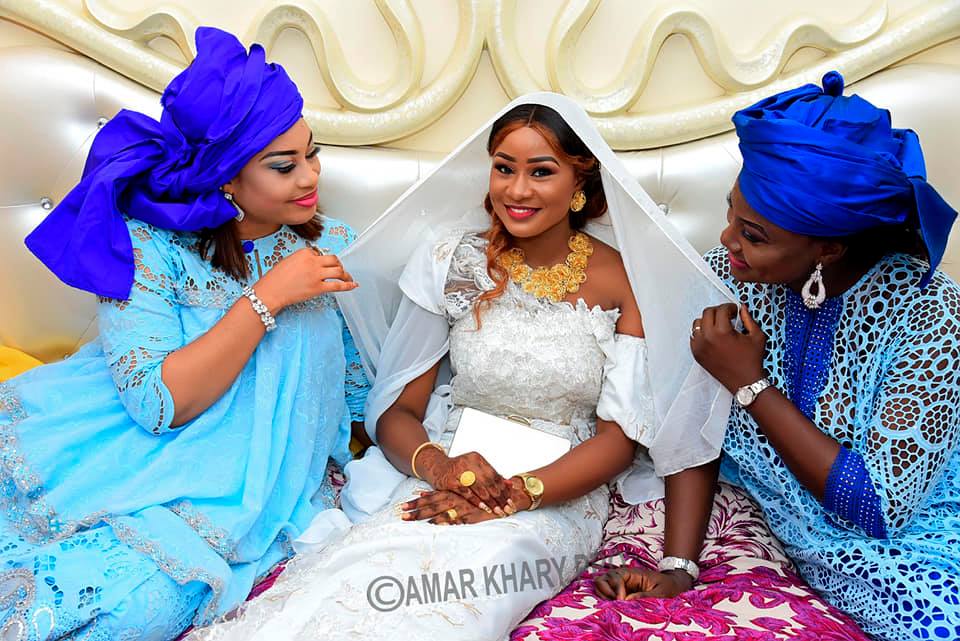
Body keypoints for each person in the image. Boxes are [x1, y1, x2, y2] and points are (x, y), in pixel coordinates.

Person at [184, 93, 734, 641]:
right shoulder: (456, 262)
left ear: (580, 183)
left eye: (541, 172)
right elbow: (398, 410)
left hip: (556, 490)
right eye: (503, 168)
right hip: (448, 469)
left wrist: (519, 494)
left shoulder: (624, 280)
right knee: (352, 580)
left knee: (456, 604)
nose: (516, 190)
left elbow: (618, 440)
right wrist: (441, 468)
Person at [0, 27, 368, 641]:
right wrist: (267, 298)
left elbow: (354, 385)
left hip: (246, 492)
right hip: (118, 453)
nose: (311, 177)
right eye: (285, 165)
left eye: (312, 152)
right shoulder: (149, 250)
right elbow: (155, 405)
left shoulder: (330, 246)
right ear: (227, 178)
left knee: (139, 604)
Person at [596, 71, 960, 641]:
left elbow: (875, 507)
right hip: (769, 526)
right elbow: (694, 426)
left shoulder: (930, 314)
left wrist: (751, 384)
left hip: (909, 541)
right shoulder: (724, 281)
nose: (725, 242)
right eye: (730, 214)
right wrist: (679, 568)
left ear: (829, 247)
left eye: (754, 235)